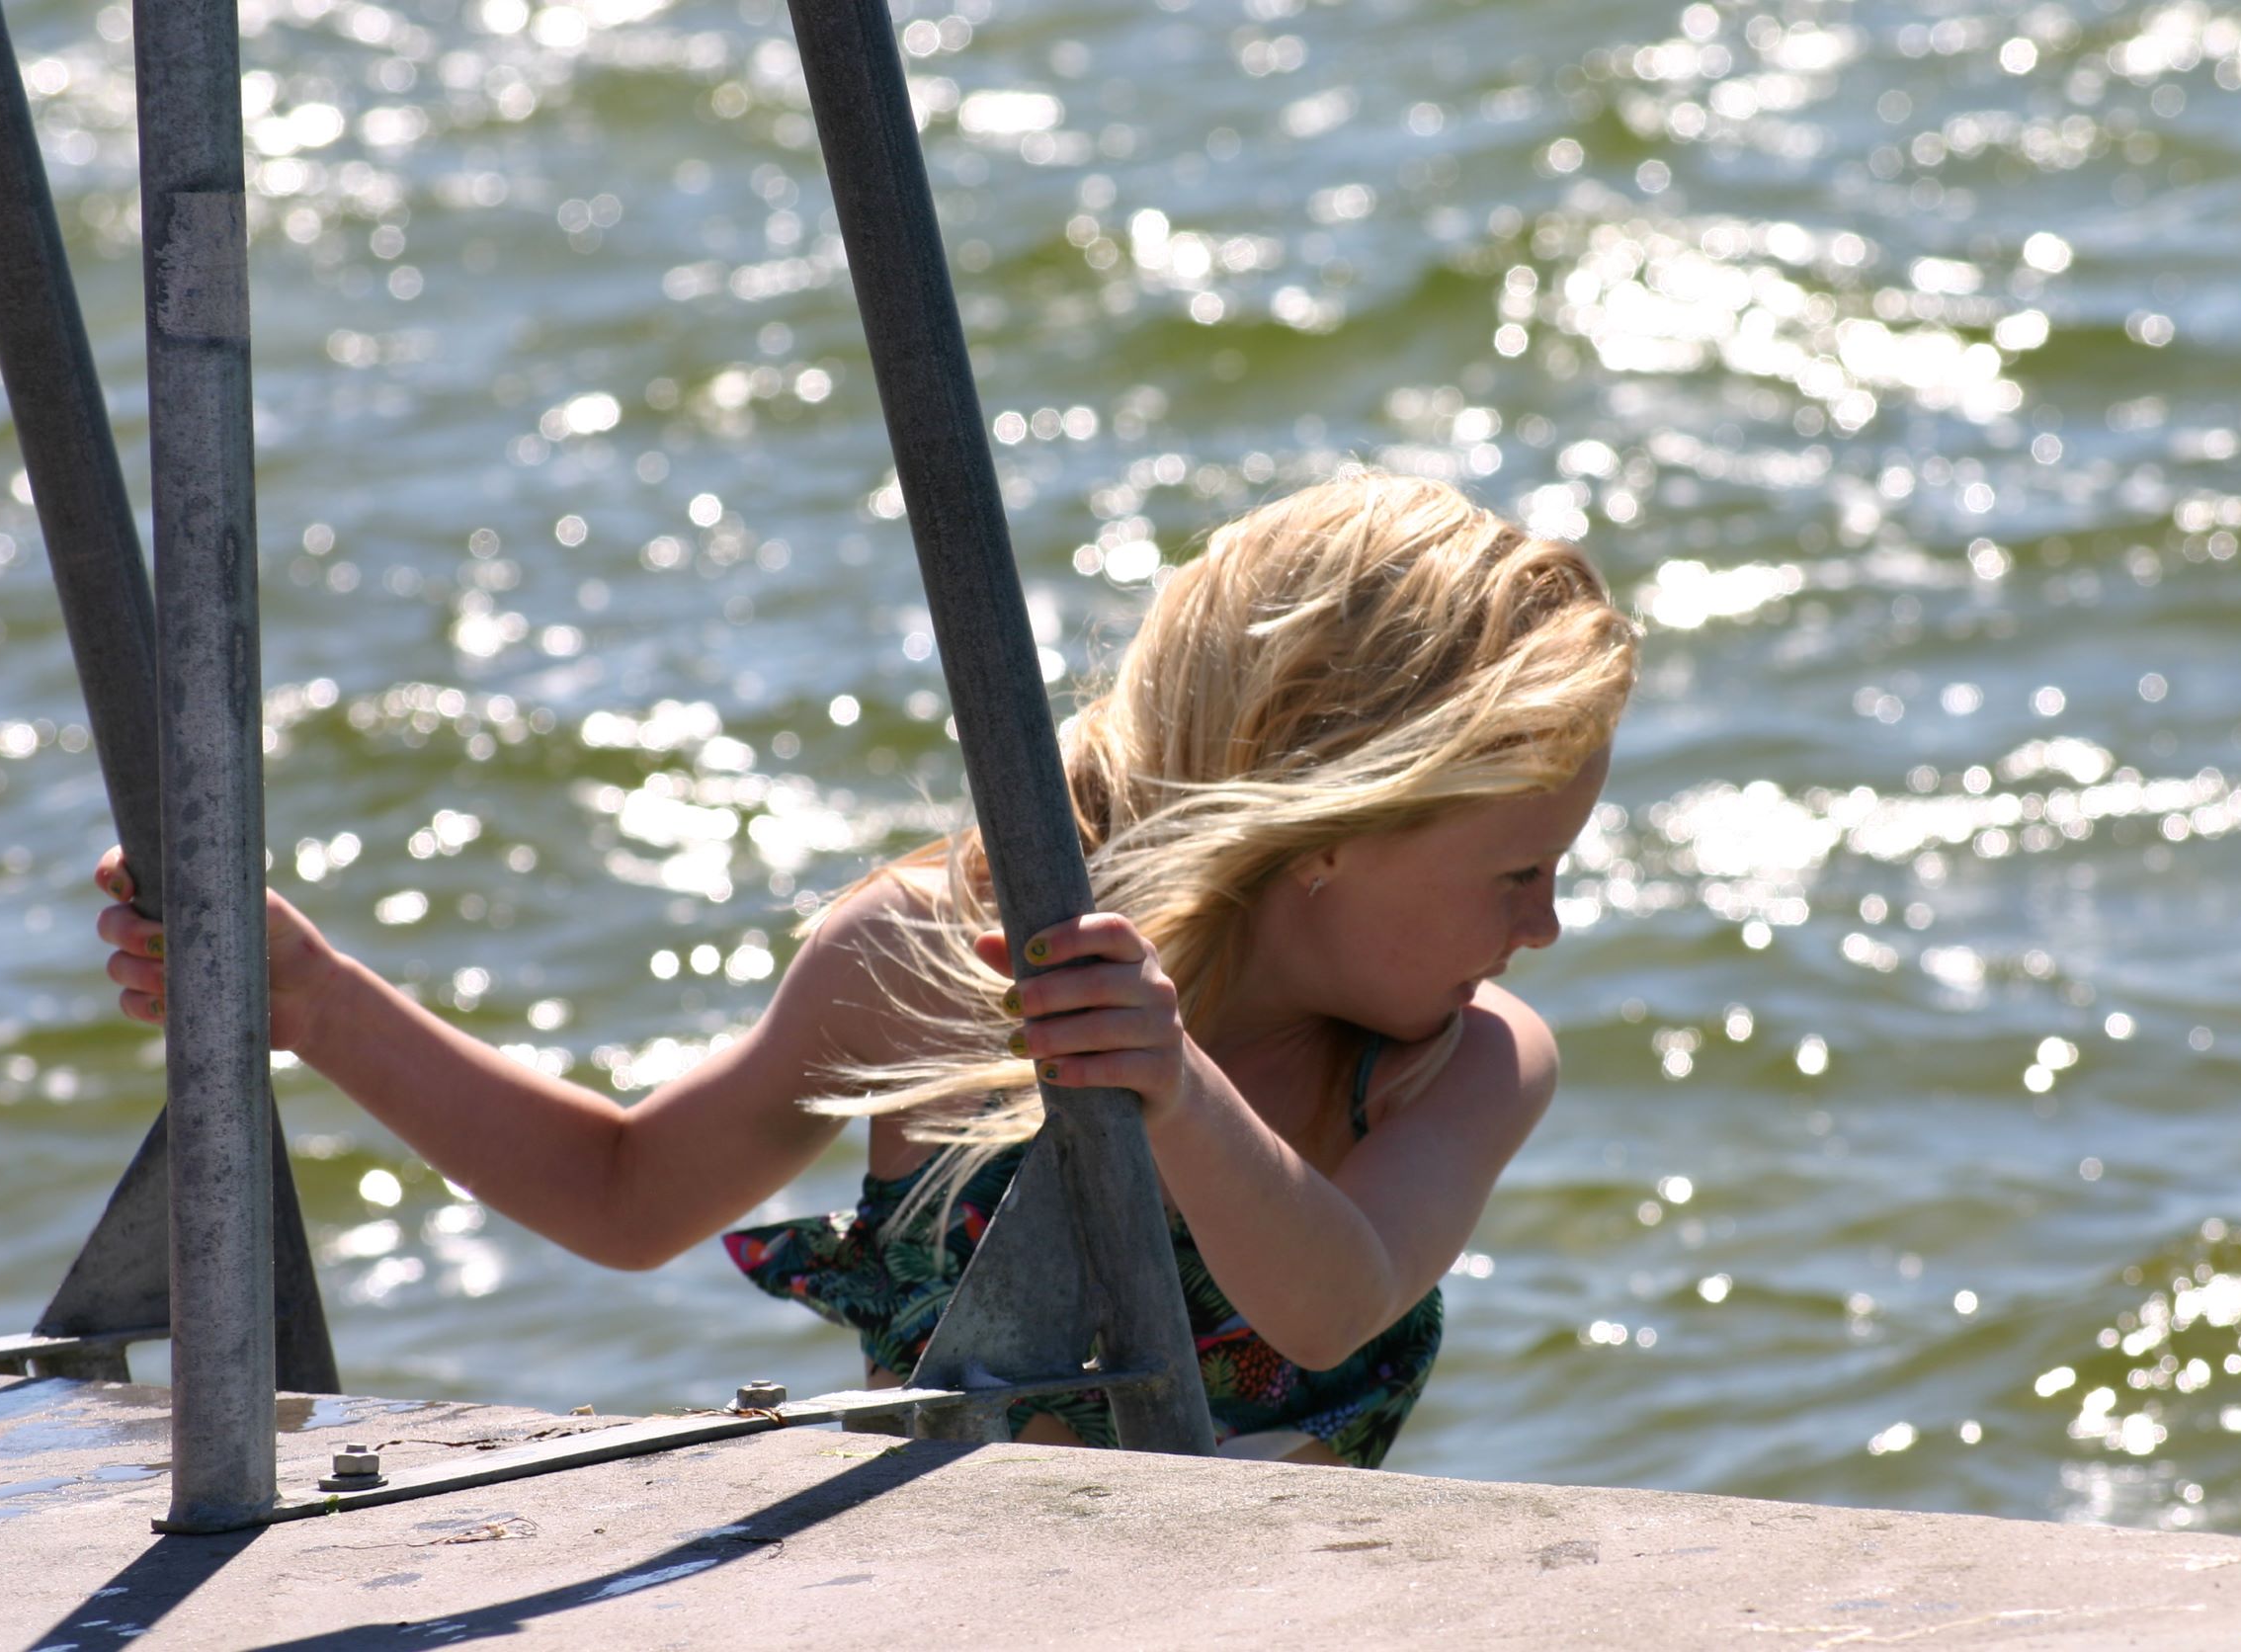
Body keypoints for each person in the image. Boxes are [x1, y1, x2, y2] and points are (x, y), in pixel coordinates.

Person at [96, 469, 1638, 1467]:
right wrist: (312, 998)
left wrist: (1170, 1087)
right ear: (1324, 830)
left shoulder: (1469, 1063)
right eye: (1518, 873)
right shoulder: (928, 959)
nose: (1545, 925)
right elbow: (628, 1194)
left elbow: (1329, 1306)